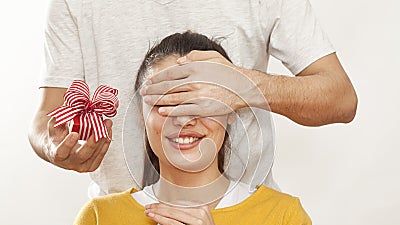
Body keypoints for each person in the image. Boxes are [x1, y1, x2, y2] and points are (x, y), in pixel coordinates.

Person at [29, 0, 357, 196]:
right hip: (121, 224)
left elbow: (341, 99)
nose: (182, 119)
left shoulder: (278, 222)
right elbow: (46, 118)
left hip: (244, 222)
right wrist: (53, 146)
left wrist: (244, 85)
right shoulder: (74, 3)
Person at [62, 32, 319, 225]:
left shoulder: (284, 218)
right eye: (166, 102)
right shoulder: (97, 221)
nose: (184, 120)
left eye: (199, 103)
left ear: (232, 109)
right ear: (141, 114)